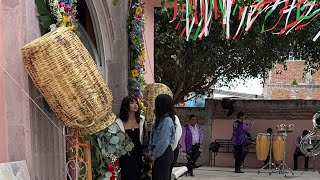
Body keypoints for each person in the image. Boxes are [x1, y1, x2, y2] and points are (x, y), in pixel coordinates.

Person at [116, 96, 147, 180]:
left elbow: (145, 139)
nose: (135, 105)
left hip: (138, 154)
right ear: (126, 106)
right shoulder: (119, 122)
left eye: (136, 103)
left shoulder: (141, 120)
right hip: (126, 156)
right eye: (132, 103)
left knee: (137, 175)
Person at [148, 94, 176, 180]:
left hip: (163, 153)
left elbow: (163, 142)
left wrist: (153, 155)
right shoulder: (161, 119)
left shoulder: (167, 121)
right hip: (160, 153)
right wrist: (150, 149)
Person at [169, 115, 182, 179]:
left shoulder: (173, 118)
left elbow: (178, 133)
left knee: (167, 171)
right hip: (172, 147)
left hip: (169, 148)